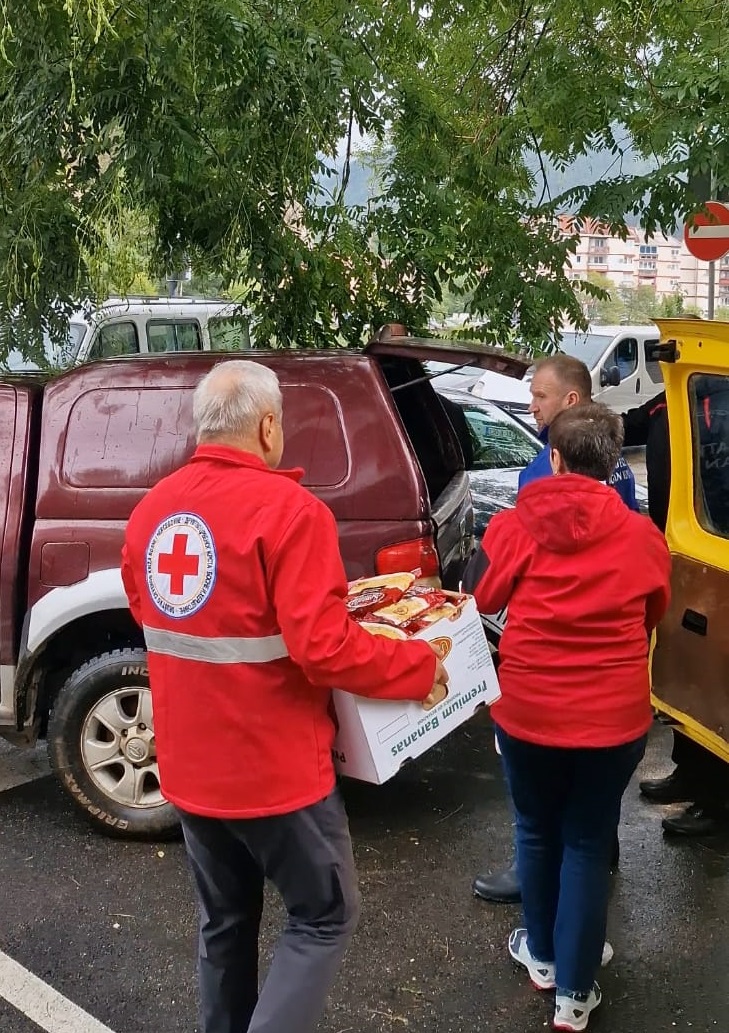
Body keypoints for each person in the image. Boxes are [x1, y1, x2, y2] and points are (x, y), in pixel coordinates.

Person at [120, 359, 448, 1033]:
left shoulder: (152, 510)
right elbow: (322, 646)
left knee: (224, 923)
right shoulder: (291, 512)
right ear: (268, 425)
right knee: (324, 916)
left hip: (189, 766)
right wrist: (418, 668)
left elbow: (153, 613)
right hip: (273, 775)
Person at [464, 403, 671, 1032]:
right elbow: (652, 613)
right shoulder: (642, 536)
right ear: (613, 464)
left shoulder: (514, 526)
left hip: (528, 715)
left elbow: (484, 598)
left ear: (553, 457)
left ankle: (546, 958)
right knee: (586, 842)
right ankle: (575, 996)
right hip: (614, 722)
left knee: (535, 831)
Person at [472, 355, 638, 904]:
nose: (530, 404)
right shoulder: (616, 463)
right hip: (610, 659)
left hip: (546, 656)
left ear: (570, 401)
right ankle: (594, 855)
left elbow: (506, 576)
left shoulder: (552, 465)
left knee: (540, 806)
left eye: (540, 396)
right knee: (594, 801)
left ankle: (536, 870)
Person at [623, 389, 729, 836]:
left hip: (717, 553)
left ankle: (718, 802)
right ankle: (689, 773)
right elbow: (629, 423)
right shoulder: (676, 394)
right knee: (683, 672)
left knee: (714, 681)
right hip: (678, 552)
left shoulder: (719, 397)